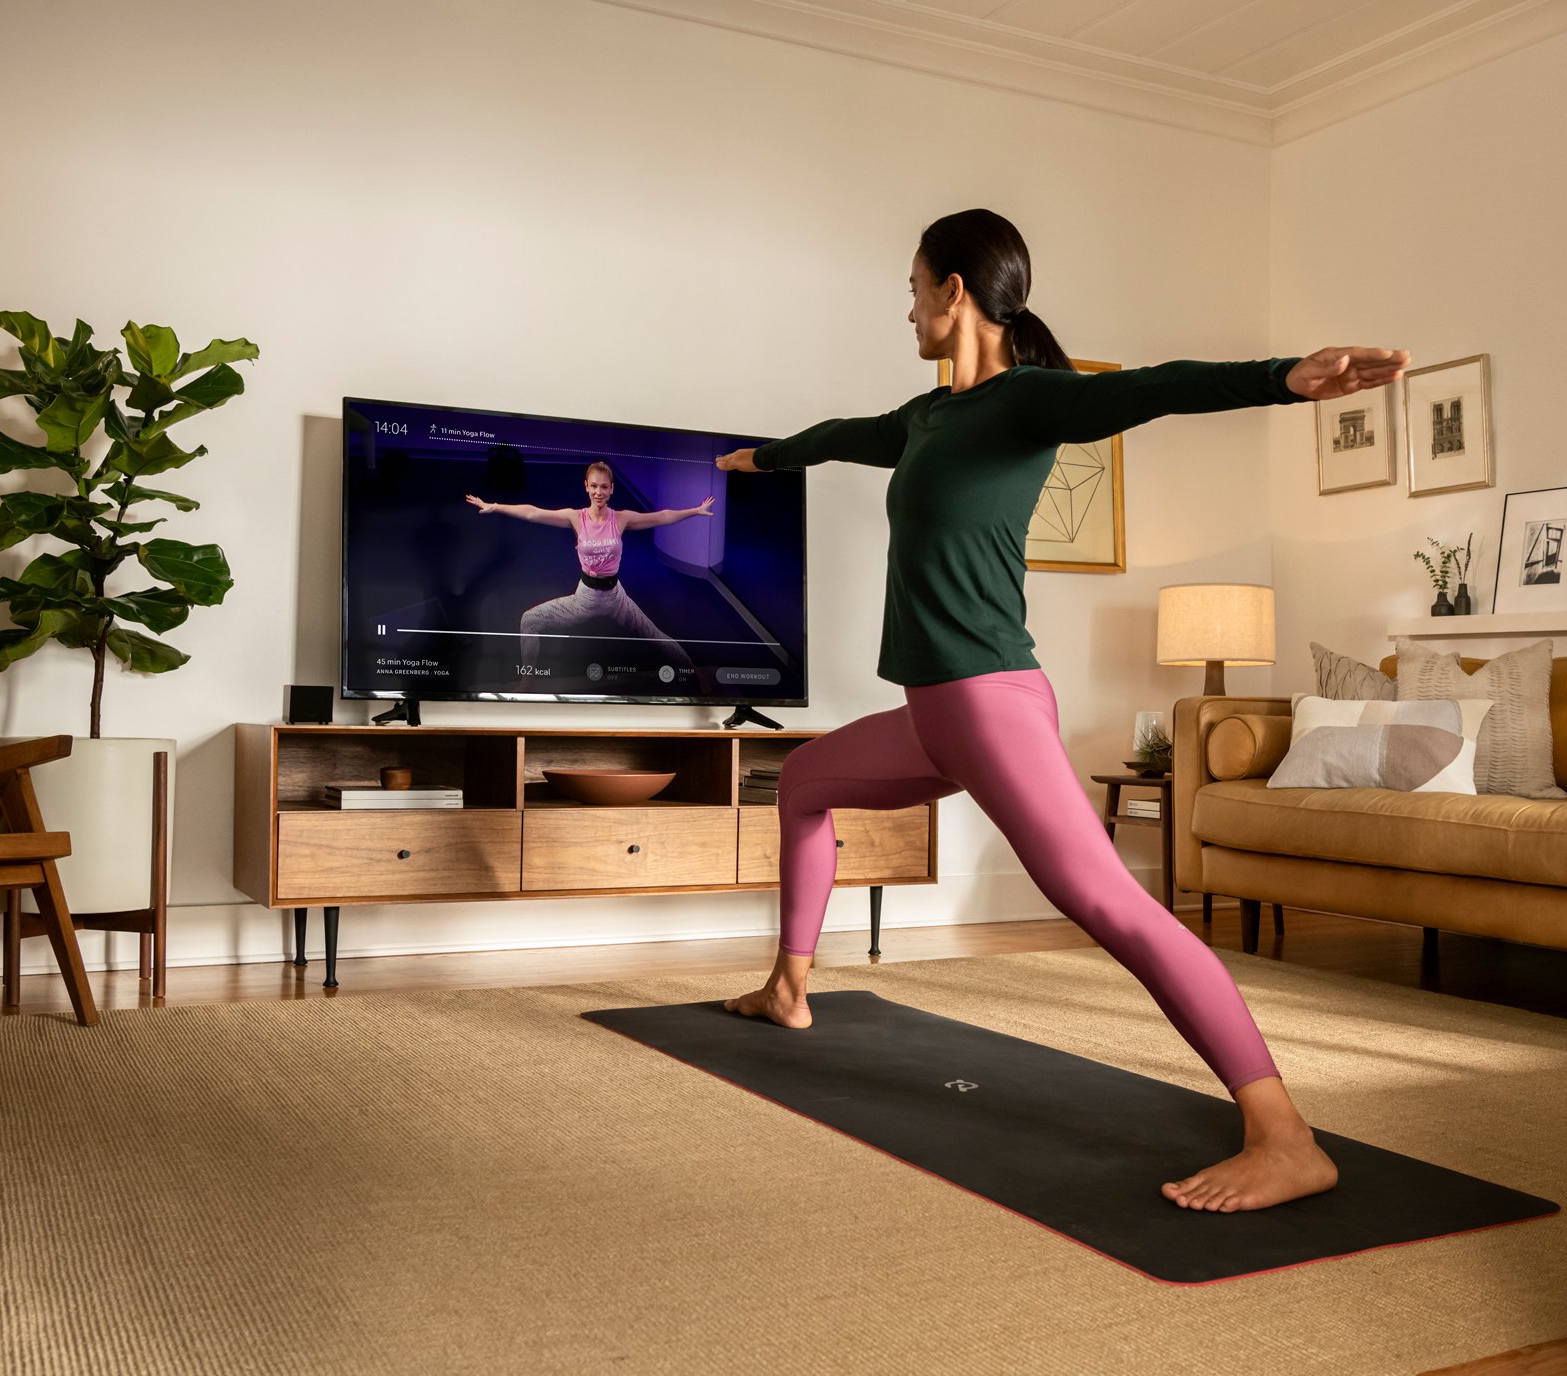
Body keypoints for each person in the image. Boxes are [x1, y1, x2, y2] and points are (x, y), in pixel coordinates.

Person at [714, 208, 1409, 1214]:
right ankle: (788, 986)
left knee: (1108, 904)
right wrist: (762, 459)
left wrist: (1280, 376)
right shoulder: (924, 418)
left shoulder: (1026, 402)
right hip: (936, 712)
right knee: (809, 782)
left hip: (987, 704)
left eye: (913, 286)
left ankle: (1283, 1133)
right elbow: (840, 438)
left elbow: (1153, 386)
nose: (904, 306)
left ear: (954, 292)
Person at [466, 461, 712, 692]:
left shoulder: (621, 518)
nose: (598, 492)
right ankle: (527, 681)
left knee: (656, 635)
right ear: (586, 486)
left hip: (617, 598)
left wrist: (694, 510)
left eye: (604, 487)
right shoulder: (576, 517)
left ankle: (696, 674)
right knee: (529, 620)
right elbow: (533, 512)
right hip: (585, 599)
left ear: (612, 489)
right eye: (593, 486)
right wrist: (496, 506)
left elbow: (661, 516)